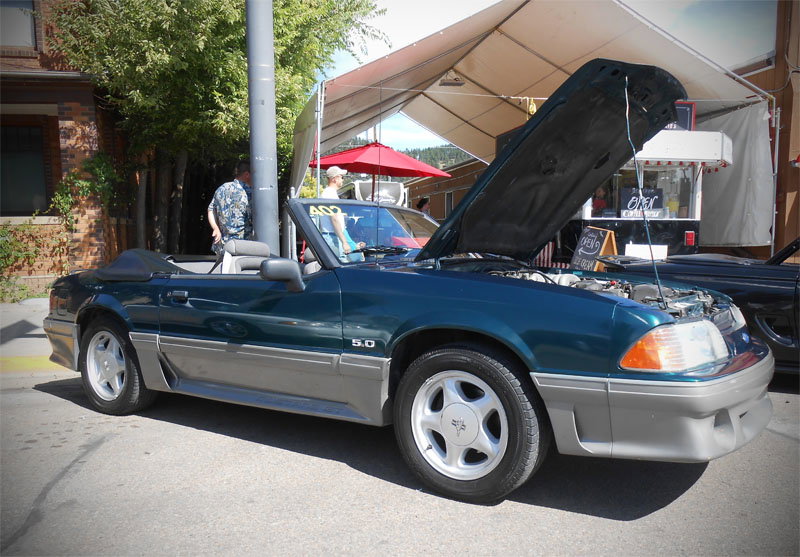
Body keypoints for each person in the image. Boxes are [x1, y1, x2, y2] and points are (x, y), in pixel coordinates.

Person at [318, 166, 364, 262]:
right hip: (333, 236)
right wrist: (344, 242)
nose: (343, 179)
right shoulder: (330, 195)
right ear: (334, 179)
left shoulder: (329, 194)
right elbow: (334, 219)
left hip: (334, 234)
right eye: (341, 177)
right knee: (341, 263)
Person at [208, 160, 253, 254]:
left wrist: (215, 228)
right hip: (243, 247)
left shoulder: (222, 188)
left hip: (222, 245)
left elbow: (210, 210)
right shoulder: (249, 192)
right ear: (247, 174)